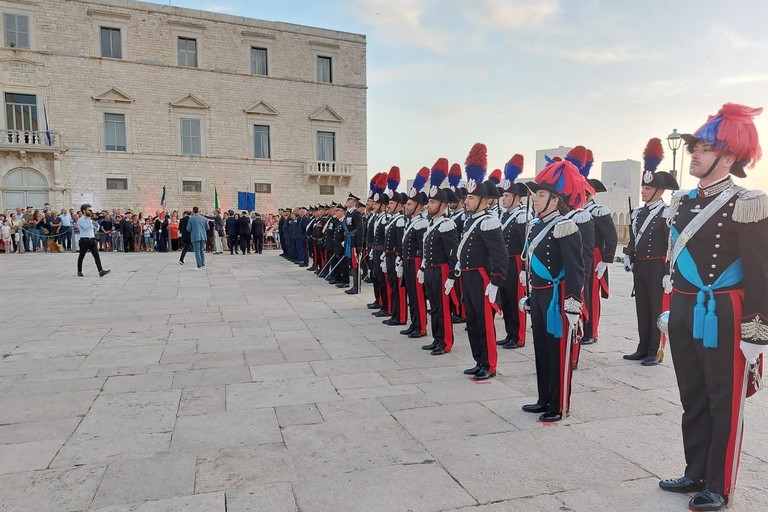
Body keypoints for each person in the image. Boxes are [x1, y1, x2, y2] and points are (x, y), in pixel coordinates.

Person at [659, 104, 767, 511]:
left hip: (724, 313)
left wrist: (756, 333)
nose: (694, 154)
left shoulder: (749, 201)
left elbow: (760, 272)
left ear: (729, 156)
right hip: (687, 310)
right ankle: (695, 472)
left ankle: (719, 485)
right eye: (694, 148)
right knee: (693, 394)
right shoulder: (684, 201)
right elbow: (674, 259)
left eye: (703, 148)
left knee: (724, 398)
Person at [521, 158, 585, 422]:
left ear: (555, 200)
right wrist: (529, 292)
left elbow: (575, 269)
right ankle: (543, 397)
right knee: (541, 348)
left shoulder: (565, 227)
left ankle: (558, 405)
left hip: (556, 298)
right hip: (539, 295)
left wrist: (573, 302)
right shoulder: (537, 225)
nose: (536, 199)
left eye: (542, 195)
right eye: (536, 195)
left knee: (558, 351)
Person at [455, 144, 509, 381]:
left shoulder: (489, 222)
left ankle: (490, 364)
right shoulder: (470, 221)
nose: (467, 201)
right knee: (473, 321)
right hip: (468, 276)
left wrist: (496, 282)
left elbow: (500, 255)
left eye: (471, 197)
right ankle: (479, 360)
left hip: (481, 278)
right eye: (467, 197)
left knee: (485, 323)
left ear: (484, 201)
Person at [623, 138, 679, 365]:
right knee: (642, 307)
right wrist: (628, 253)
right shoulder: (637, 213)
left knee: (657, 309)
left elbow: (672, 244)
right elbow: (634, 237)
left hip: (658, 266)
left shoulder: (667, 213)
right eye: (643, 187)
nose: (643, 191)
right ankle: (642, 346)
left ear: (659, 190)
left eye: (647, 188)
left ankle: (654, 351)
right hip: (641, 265)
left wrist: (669, 272)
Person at [420, 166, 459, 354]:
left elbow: (453, 254)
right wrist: (422, 268)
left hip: (442, 270)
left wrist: (452, 276)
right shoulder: (433, 223)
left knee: (443, 308)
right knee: (434, 306)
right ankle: (437, 339)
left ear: (442, 205)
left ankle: (445, 342)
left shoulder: (447, 224)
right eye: (429, 201)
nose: (428, 205)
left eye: (432, 202)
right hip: (430, 269)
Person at [497, 155, 532, 349]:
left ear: (517, 198)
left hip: (517, 262)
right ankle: (509, 333)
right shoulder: (504, 216)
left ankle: (518, 337)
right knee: (507, 300)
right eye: (503, 195)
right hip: (505, 263)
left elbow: (526, 244)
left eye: (507, 196)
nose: (504, 198)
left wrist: (524, 269)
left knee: (516, 300)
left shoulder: (521, 217)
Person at [399, 166, 430, 335]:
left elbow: (423, 247)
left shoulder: (422, 223)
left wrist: (422, 267)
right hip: (408, 261)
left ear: (418, 206)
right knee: (411, 294)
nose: (406, 207)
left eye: (410, 204)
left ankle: (421, 327)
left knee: (418, 296)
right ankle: (414, 323)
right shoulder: (411, 221)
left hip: (416, 262)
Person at [76, 204, 110, 277]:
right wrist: (92, 221)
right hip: (84, 240)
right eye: (89, 210)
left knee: (97, 256)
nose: (90, 212)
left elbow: (96, 229)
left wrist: (96, 222)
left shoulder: (90, 220)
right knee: (81, 256)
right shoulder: (81, 220)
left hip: (92, 240)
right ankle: (79, 271)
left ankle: (100, 270)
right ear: (84, 211)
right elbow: (86, 227)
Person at [340, 194, 365, 293]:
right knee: (352, 264)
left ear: (354, 202)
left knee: (355, 265)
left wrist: (359, 245)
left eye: (350, 200)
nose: (347, 201)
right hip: (349, 242)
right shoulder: (348, 214)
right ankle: (354, 284)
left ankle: (356, 286)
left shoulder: (356, 214)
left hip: (354, 242)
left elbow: (360, 230)